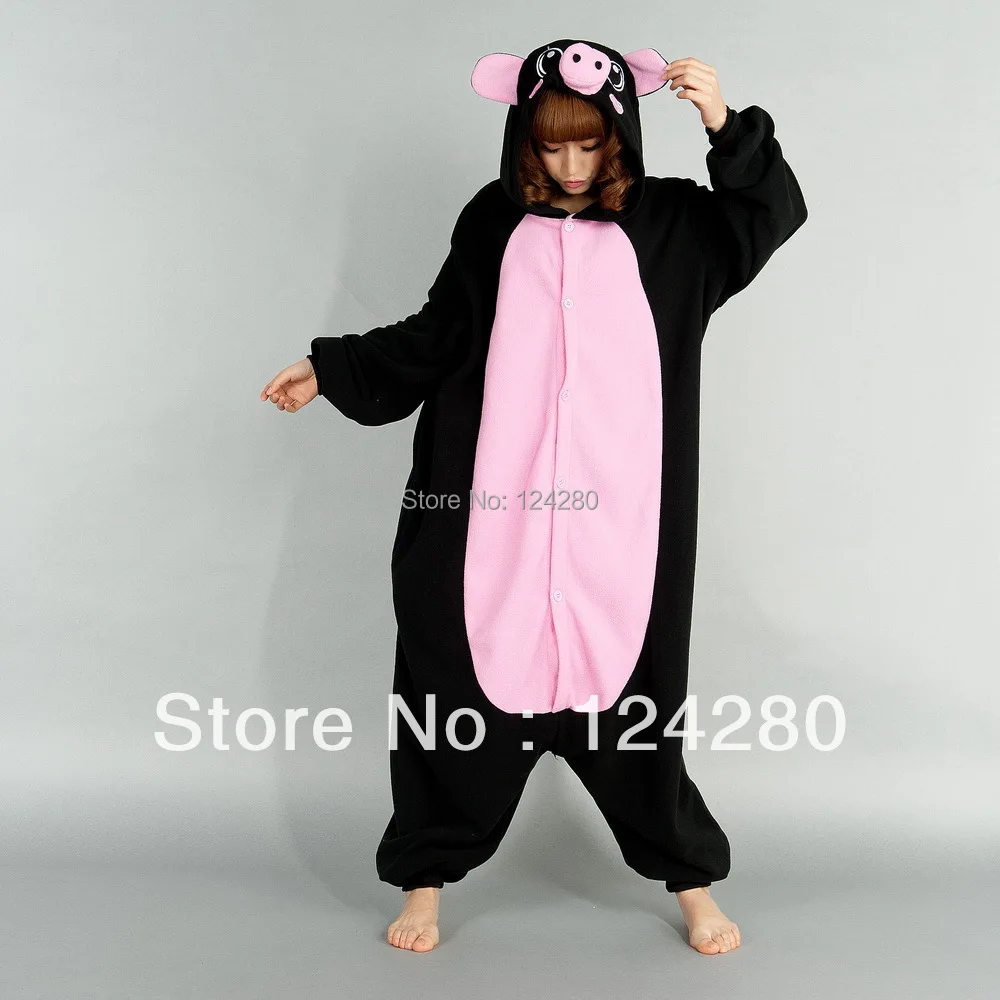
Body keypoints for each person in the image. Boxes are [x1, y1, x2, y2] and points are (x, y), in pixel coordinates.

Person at [261, 38, 808, 956]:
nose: (571, 165)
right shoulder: (493, 221)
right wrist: (331, 368)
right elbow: (439, 331)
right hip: (491, 513)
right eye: (551, 146)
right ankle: (425, 881)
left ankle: (691, 882)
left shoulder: (676, 227)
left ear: (620, 137)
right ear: (524, 140)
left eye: (589, 144)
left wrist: (724, 123)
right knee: (450, 693)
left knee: (638, 706)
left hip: (620, 521)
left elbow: (768, 213)